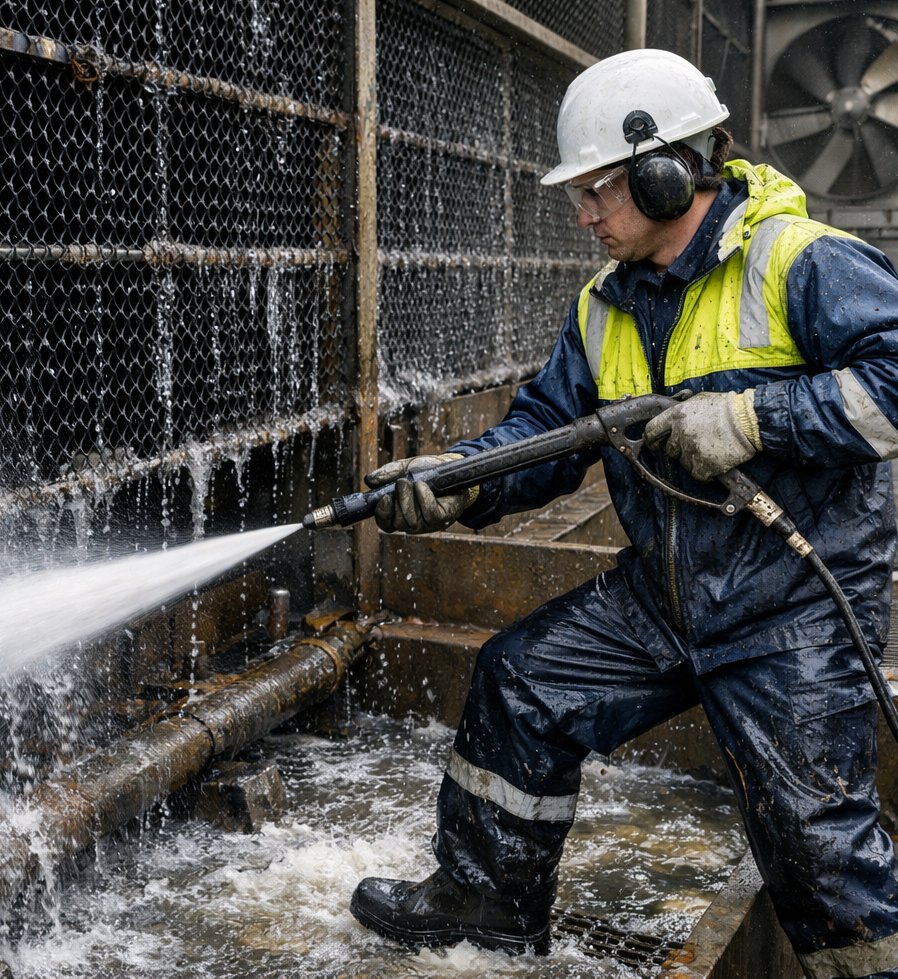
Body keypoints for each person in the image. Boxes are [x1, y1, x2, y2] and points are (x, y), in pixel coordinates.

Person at [349, 48, 898, 979]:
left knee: (817, 848)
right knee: (520, 686)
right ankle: (488, 907)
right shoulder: (604, 306)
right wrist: (459, 480)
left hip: (793, 608)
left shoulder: (799, 263)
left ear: (667, 170)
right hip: (664, 599)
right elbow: (546, 432)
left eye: (600, 189)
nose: (585, 213)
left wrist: (754, 417)